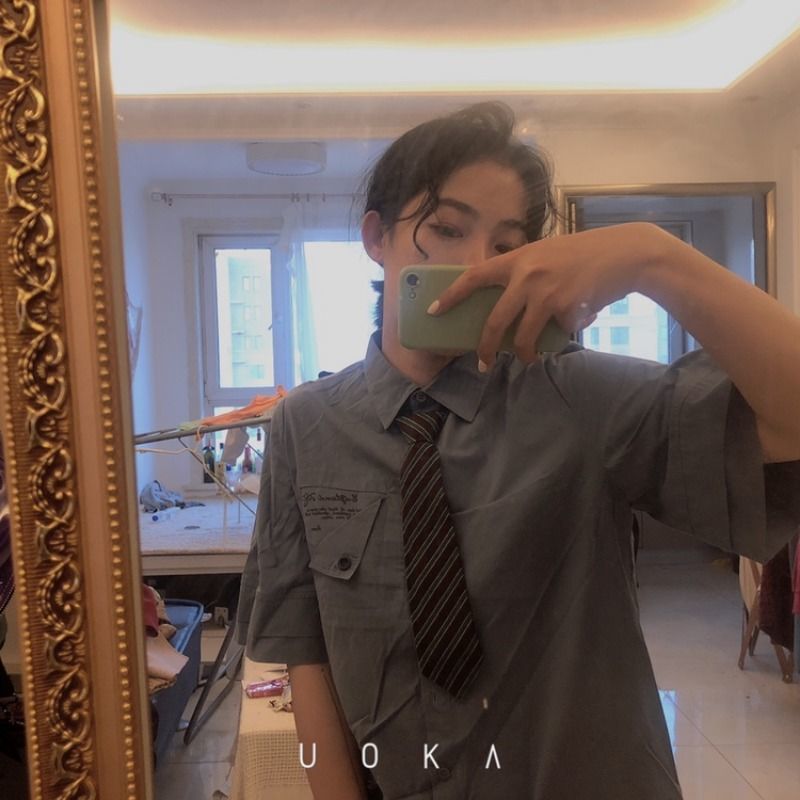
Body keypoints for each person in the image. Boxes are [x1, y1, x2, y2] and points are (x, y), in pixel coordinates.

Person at [236, 103, 800, 800]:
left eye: (508, 246)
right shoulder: (306, 426)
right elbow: (306, 658)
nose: (479, 266)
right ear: (377, 238)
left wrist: (654, 258)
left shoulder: (578, 396)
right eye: (447, 229)